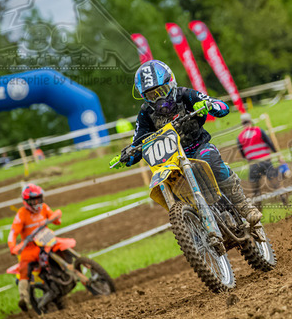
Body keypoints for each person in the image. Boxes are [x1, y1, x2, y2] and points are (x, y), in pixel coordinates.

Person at [109, 60, 262, 224]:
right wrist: (127, 156)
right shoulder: (145, 113)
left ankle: (243, 205)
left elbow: (222, 107)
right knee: (168, 182)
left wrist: (208, 105)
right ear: (144, 97)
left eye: (162, 91)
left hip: (198, 147)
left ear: (171, 83)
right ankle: (192, 226)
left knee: (210, 159)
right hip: (170, 160)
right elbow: (138, 141)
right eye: (152, 95)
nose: (159, 98)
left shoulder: (185, 95)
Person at [7, 184, 72, 311]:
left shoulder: (44, 207)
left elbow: (56, 220)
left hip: (47, 240)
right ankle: (24, 298)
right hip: (30, 247)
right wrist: (12, 247)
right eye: (34, 201)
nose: (37, 203)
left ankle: (75, 266)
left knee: (64, 245)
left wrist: (56, 217)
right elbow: (12, 233)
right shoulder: (22, 214)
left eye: (39, 199)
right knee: (24, 268)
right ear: (27, 201)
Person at [237, 113, 283, 201]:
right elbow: (269, 143)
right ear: (250, 121)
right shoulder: (259, 131)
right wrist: (278, 155)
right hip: (266, 161)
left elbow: (243, 154)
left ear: (242, 123)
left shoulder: (240, 137)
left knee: (255, 191)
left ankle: (257, 206)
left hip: (253, 164)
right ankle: (283, 198)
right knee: (276, 183)